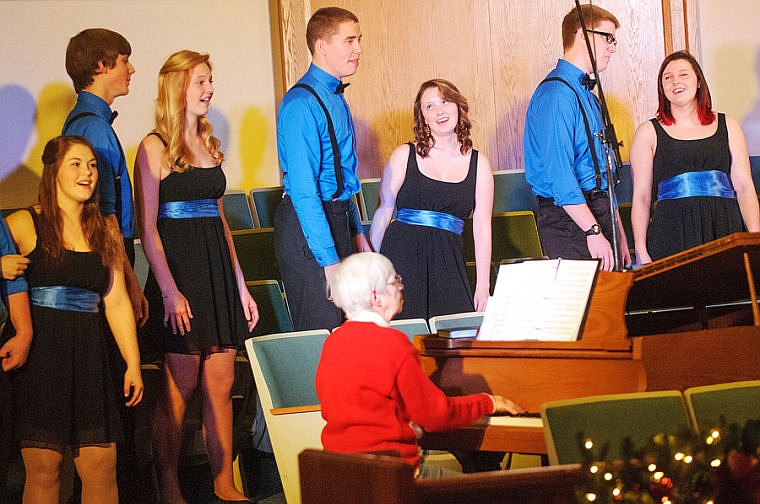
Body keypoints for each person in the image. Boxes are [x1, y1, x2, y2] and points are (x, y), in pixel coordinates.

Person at [134, 50, 259, 504]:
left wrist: (240, 285)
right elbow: (146, 230)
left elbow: (221, 223)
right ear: (178, 88)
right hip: (179, 279)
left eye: (211, 80)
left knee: (222, 386)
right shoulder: (152, 146)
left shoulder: (208, 143)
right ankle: (167, 484)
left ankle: (224, 483)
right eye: (201, 81)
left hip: (217, 277)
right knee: (179, 389)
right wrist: (169, 292)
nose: (209, 89)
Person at [4, 135, 144, 503]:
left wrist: (133, 363)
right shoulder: (23, 223)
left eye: (93, 165)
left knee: (101, 466)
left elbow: (115, 302)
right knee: (45, 471)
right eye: (77, 164)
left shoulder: (105, 229)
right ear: (54, 173)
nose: (87, 173)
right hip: (40, 358)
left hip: (89, 355)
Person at [316, 252, 525, 477]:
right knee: (491, 494)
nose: (400, 287)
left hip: (341, 475)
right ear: (376, 297)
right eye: (395, 281)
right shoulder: (392, 343)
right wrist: (489, 402)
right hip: (392, 478)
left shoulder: (332, 342)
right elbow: (436, 416)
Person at [274, 6, 371, 331]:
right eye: (349, 41)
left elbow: (343, 177)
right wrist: (329, 260)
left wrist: (356, 231)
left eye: (358, 40)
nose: (358, 49)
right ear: (322, 45)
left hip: (338, 220)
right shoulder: (301, 104)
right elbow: (304, 190)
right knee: (323, 335)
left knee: (350, 334)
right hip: (309, 231)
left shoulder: (334, 96)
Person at [370, 79, 493, 320]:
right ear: (422, 117)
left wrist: (483, 286)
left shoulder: (480, 164)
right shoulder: (404, 154)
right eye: (430, 106)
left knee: (453, 337)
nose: (439, 111)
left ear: (458, 106)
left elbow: (481, 227)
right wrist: (370, 274)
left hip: (449, 258)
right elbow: (383, 213)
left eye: (445, 102)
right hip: (401, 254)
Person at [524, 5, 630, 271]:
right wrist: (592, 231)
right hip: (571, 222)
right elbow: (560, 173)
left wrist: (618, 231)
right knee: (586, 307)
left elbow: (603, 172)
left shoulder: (588, 96)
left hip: (598, 212)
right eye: (608, 38)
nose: (612, 48)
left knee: (611, 307)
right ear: (583, 34)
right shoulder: (557, 95)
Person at [629, 50, 760, 263]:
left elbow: (744, 187)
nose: (675, 82)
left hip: (723, 226)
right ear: (661, 88)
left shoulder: (729, 125)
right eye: (667, 77)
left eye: (683, 75)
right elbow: (642, 197)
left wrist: (755, 239)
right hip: (670, 232)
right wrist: (641, 250)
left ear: (698, 81)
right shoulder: (647, 132)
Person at [63, 28, 148, 325]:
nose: (131, 69)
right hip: (107, 255)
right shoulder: (95, 130)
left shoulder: (86, 123)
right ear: (101, 65)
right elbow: (105, 215)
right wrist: (131, 282)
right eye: (125, 60)